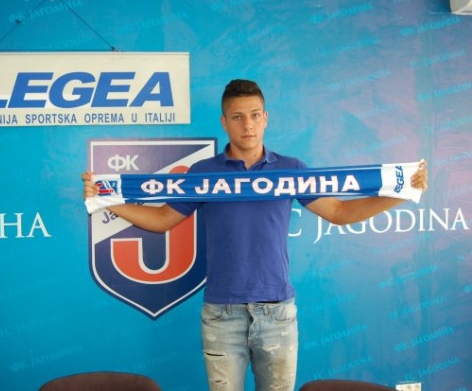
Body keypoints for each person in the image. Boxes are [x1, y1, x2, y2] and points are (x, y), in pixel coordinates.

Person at [82, 79, 428, 391]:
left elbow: (339, 212)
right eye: (237, 117)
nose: (247, 125)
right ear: (224, 122)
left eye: (254, 115)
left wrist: (402, 193)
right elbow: (161, 220)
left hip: (277, 313)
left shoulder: (291, 170)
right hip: (221, 313)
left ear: (265, 118)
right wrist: (105, 199)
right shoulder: (203, 173)